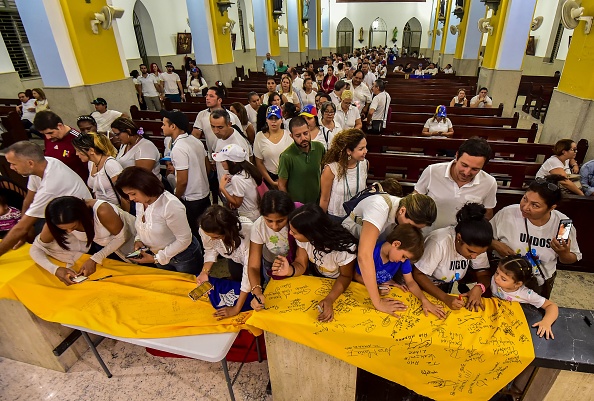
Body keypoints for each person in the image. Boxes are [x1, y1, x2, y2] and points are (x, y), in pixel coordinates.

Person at [343, 193, 437, 314]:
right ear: (402, 211)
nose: (411, 231)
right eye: (411, 226)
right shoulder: (379, 207)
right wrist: (378, 302)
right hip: (349, 246)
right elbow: (364, 256)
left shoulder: (402, 211)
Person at [490, 175, 581, 298]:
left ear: (552, 208)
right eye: (525, 199)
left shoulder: (562, 224)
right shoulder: (507, 213)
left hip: (538, 283)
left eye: (535, 205)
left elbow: (571, 258)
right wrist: (495, 244)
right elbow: (484, 239)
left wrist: (564, 253)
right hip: (505, 280)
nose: (525, 207)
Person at [266, 204, 356, 322]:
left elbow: (346, 276)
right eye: (291, 230)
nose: (291, 234)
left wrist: (330, 299)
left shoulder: (343, 248)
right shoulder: (305, 241)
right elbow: (301, 264)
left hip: (339, 284)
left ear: (311, 234)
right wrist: (289, 270)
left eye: (295, 232)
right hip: (319, 279)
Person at [0, 141, 91, 258]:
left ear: (30, 163)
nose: (11, 168)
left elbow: (22, 227)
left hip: (77, 222)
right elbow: (28, 199)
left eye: (13, 164)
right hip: (60, 213)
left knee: (40, 248)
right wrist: (24, 233)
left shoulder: (50, 185)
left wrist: (23, 231)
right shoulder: (45, 163)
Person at [29, 196, 137, 285]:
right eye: (64, 229)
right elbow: (36, 249)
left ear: (82, 217)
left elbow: (123, 237)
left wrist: (95, 258)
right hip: (110, 251)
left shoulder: (102, 210)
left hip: (136, 243)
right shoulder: (53, 223)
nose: (70, 231)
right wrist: (55, 269)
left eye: (73, 226)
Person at [115, 166, 203, 274]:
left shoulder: (170, 205)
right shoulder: (140, 202)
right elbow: (142, 223)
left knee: (190, 286)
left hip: (183, 257)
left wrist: (156, 258)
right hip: (157, 256)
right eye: (127, 195)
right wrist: (139, 239)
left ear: (145, 186)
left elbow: (184, 239)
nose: (131, 199)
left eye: (133, 194)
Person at [354, 224, 446, 319]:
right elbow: (357, 276)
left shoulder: (402, 259)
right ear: (396, 244)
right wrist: (377, 287)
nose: (403, 260)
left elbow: (410, 282)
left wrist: (424, 300)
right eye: (403, 256)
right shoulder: (371, 254)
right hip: (366, 292)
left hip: (386, 291)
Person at [413, 203, 492, 312]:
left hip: (446, 287)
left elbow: (484, 273)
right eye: (470, 251)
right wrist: (445, 298)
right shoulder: (439, 242)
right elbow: (418, 274)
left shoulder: (477, 245)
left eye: (479, 253)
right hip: (422, 288)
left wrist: (479, 288)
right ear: (459, 238)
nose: (474, 257)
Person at [414, 137, 497, 231]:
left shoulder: (489, 182)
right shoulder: (432, 171)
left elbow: (487, 214)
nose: (466, 172)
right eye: (464, 165)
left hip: (461, 238)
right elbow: (415, 199)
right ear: (457, 156)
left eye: (475, 169)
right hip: (429, 232)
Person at [196, 205, 252, 319]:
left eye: (216, 237)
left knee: (253, 289)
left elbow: (249, 271)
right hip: (233, 259)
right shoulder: (205, 228)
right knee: (236, 278)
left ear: (227, 232)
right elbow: (210, 249)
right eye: (209, 236)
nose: (211, 239)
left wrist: (236, 308)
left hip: (253, 262)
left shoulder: (247, 231)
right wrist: (205, 272)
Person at [161, 110, 211, 236]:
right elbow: (208, 167)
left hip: (191, 198)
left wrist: (175, 198)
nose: (161, 127)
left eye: (164, 124)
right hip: (204, 193)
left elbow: (182, 181)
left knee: (195, 232)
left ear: (173, 126)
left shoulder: (179, 148)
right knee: (206, 229)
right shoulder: (195, 141)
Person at [492, 255, 559, 339]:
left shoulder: (526, 294)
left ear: (517, 284)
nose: (496, 279)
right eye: (497, 273)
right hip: (496, 318)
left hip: (515, 325)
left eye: (503, 279)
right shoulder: (495, 280)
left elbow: (551, 306)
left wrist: (546, 322)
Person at [247, 191, 297, 292]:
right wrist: (257, 291)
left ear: (289, 214)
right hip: (271, 263)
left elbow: (302, 259)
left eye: (280, 220)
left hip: (296, 262)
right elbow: (253, 265)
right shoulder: (258, 227)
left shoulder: (296, 223)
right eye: (269, 221)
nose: (274, 226)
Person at [320, 129, 368, 222]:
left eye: (365, 147)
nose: (365, 151)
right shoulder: (331, 169)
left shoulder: (364, 164)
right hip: (337, 217)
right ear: (349, 151)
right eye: (361, 149)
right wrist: (321, 222)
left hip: (357, 216)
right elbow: (324, 199)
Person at [278, 116, 325, 204]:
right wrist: (289, 205)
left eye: (305, 133)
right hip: (297, 206)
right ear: (291, 136)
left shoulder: (319, 147)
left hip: (317, 202)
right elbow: (281, 185)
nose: (303, 138)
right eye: (298, 135)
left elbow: (324, 172)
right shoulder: (286, 156)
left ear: (309, 130)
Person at [72, 132, 124, 208]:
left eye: (79, 151)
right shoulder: (91, 163)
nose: (76, 154)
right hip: (101, 207)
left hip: (116, 208)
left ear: (91, 150)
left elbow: (124, 196)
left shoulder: (111, 165)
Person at [33, 110, 89, 181]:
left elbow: (89, 168)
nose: (48, 137)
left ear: (60, 126)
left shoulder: (78, 139)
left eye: (50, 133)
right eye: (44, 134)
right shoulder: (50, 137)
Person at [214, 144, 262, 222]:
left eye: (223, 161)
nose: (221, 163)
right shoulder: (249, 169)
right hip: (256, 211)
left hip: (248, 216)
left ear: (233, 162)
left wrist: (222, 188)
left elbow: (236, 204)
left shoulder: (237, 179)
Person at [192, 85, 242, 159]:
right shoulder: (202, 114)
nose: (207, 98)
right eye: (207, 96)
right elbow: (195, 135)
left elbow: (238, 137)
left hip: (229, 156)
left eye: (211, 96)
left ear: (219, 100)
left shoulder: (231, 116)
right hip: (211, 155)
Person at [253, 105, 293, 190]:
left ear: (281, 120)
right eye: (271, 118)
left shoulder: (289, 135)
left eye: (276, 118)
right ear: (266, 120)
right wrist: (271, 182)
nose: (273, 122)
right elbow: (259, 162)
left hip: (288, 178)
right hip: (269, 178)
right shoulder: (259, 136)